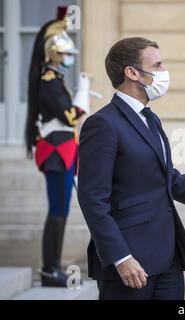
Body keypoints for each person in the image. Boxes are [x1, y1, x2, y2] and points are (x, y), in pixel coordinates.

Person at [77, 37, 185, 300]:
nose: (164, 72)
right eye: (158, 65)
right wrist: (120, 257)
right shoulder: (102, 124)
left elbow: (168, 177)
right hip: (131, 261)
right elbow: (92, 199)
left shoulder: (150, 118)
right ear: (132, 72)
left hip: (168, 256)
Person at [25, 7, 91, 287]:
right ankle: (50, 268)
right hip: (56, 153)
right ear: (53, 53)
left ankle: (53, 266)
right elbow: (70, 116)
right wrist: (83, 97)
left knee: (61, 211)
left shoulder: (54, 80)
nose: (66, 60)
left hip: (62, 151)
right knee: (57, 212)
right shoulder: (48, 82)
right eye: (63, 55)